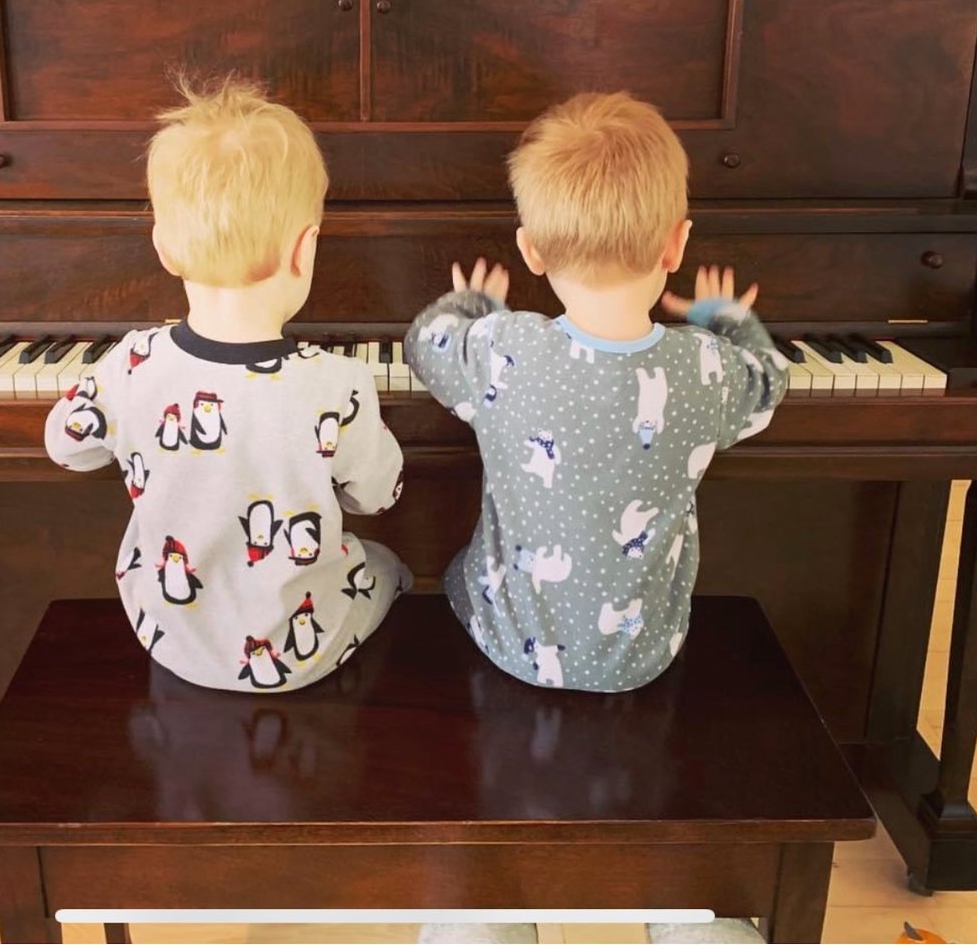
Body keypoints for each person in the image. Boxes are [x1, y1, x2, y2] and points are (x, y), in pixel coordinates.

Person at [406, 91, 788, 694]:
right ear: (676, 244)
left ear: (530, 250)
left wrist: (472, 307)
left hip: (506, 644)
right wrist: (729, 320)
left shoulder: (500, 348)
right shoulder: (707, 367)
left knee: (457, 572)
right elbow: (768, 380)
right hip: (644, 653)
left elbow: (425, 343)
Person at [44, 77, 409, 692]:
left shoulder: (131, 362)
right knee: (388, 566)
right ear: (306, 249)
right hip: (300, 651)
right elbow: (378, 496)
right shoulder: (336, 384)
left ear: (163, 247)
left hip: (168, 633)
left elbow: (66, 447)